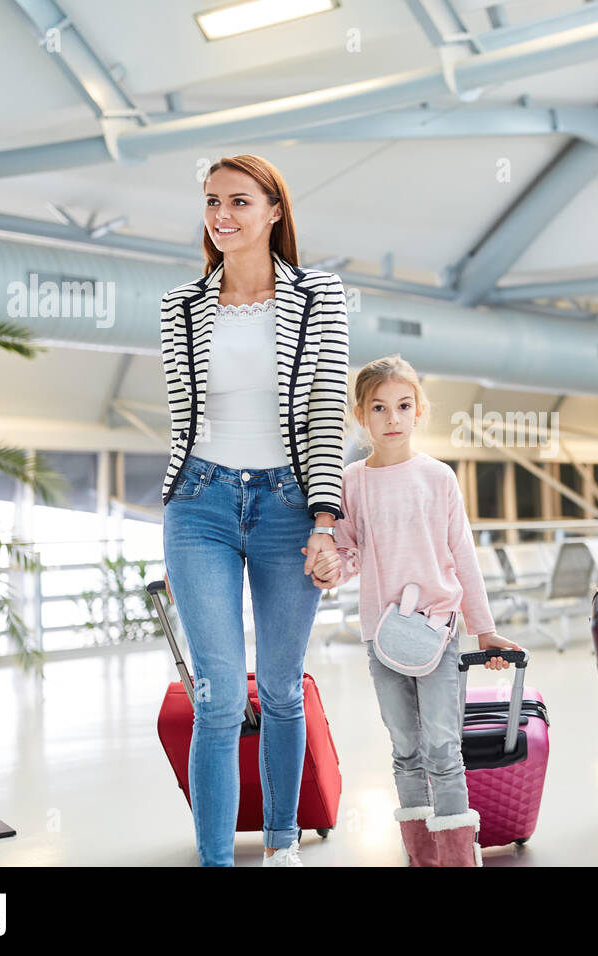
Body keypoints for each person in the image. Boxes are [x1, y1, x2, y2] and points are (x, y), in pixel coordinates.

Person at [159, 154, 349, 867]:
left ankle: (279, 846)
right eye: (212, 202)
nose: (222, 216)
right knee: (214, 694)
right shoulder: (179, 305)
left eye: (239, 202)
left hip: (289, 504)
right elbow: (184, 419)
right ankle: (214, 859)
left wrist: (325, 523)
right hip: (200, 504)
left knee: (279, 688)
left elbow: (327, 414)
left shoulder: (319, 295)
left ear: (274, 210)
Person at [310, 355, 521, 866]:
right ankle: (423, 858)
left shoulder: (438, 477)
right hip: (381, 637)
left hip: (438, 632)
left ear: (419, 410)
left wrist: (484, 630)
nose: (392, 418)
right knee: (405, 749)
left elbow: (463, 556)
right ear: (360, 415)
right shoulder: (350, 482)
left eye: (403, 406)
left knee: (444, 751)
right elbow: (351, 553)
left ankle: (456, 859)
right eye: (379, 408)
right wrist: (330, 567)